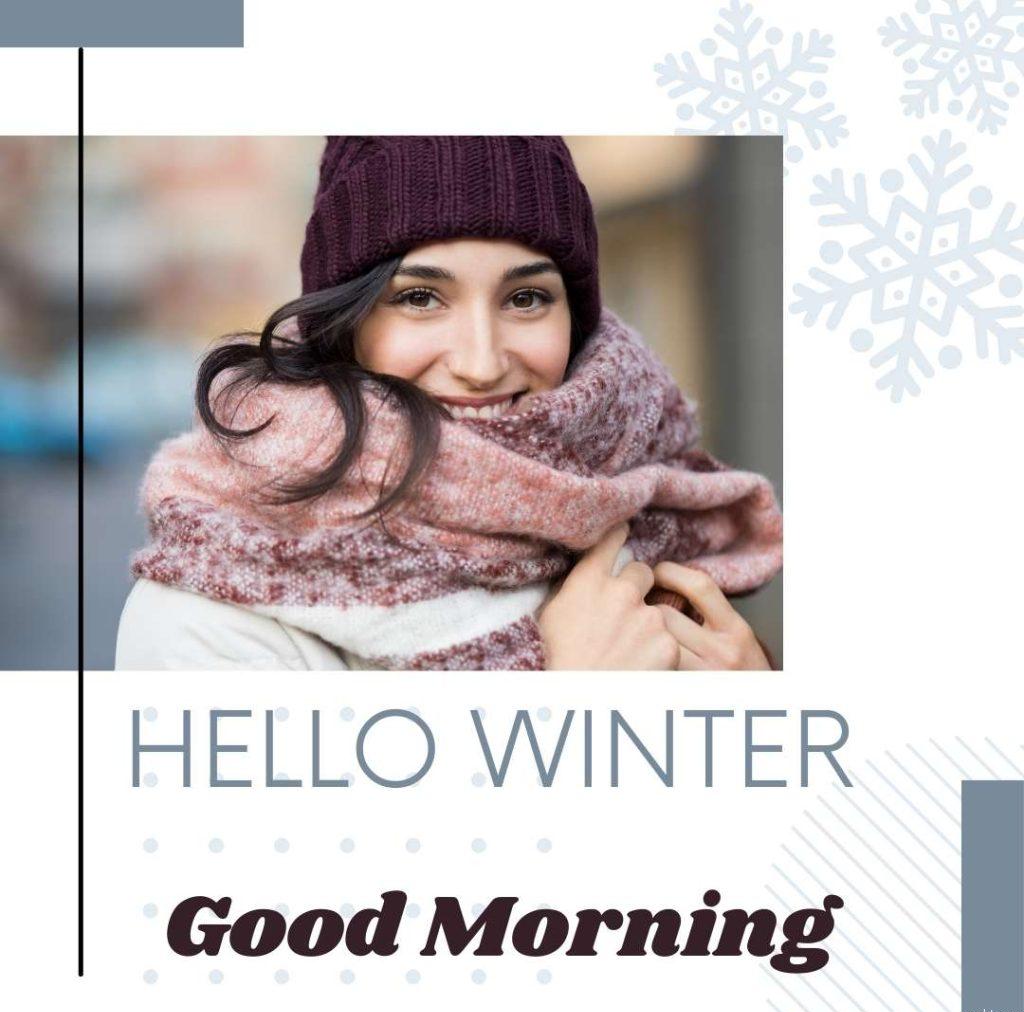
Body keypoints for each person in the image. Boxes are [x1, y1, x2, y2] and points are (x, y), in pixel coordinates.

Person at [116, 136, 782, 671]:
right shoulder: (211, 610)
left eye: (526, 299)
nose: (481, 361)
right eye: (419, 298)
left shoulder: (646, 517)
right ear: (344, 323)